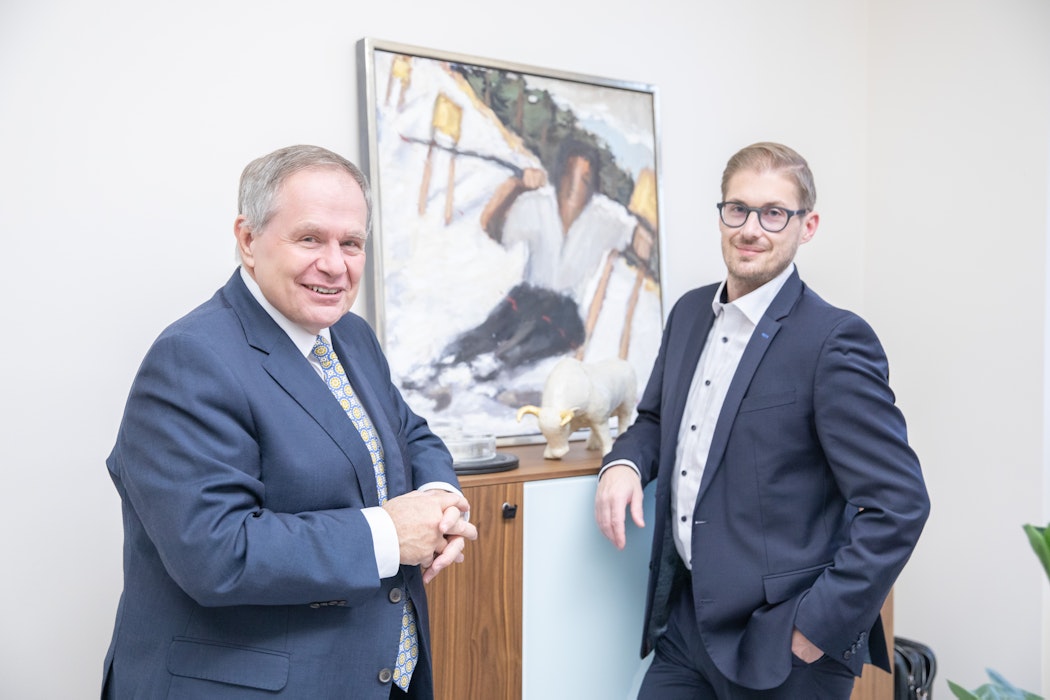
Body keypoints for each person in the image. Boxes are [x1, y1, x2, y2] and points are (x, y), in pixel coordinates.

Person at [101, 145, 477, 699]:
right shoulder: (191, 358)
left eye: (351, 243)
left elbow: (409, 434)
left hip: (371, 677)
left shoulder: (351, 336)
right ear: (248, 239)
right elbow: (216, 552)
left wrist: (441, 496)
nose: (335, 263)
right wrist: (391, 534)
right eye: (310, 238)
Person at [594, 142, 930, 699]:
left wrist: (812, 630)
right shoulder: (687, 314)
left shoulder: (834, 340)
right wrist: (624, 463)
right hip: (685, 625)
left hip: (782, 644)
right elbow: (655, 418)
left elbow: (899, 504)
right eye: (738, 209)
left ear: (807, 225)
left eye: (774, 213)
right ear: (721, 215)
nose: (752, 228)